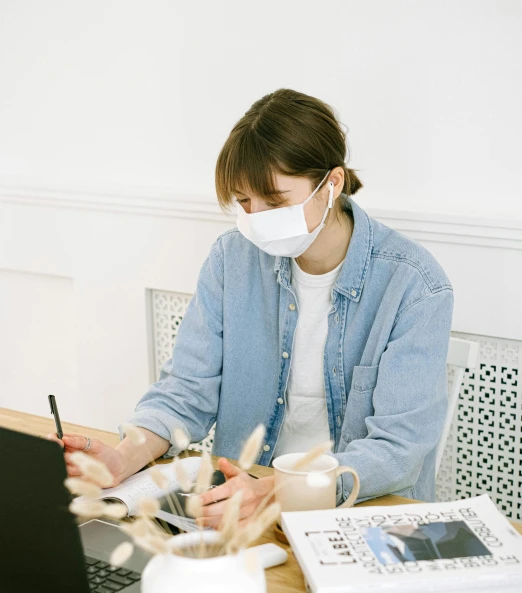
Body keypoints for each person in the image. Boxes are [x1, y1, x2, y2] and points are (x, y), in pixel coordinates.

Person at [51, 88, 453, 527]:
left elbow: (398, 450)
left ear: (331, 184)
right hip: (240, 504)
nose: (256, 218)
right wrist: (123, 457)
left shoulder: (415, 286)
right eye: (244, 202)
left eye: (275, 201)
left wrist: (278, 492)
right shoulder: (231, 260)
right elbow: (187, 390)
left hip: (362, 516)